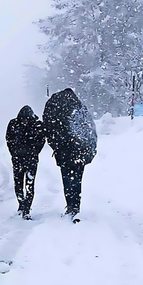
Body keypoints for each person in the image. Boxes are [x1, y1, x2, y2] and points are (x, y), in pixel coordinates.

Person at [43, 88, 97, 222]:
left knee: (67, 180)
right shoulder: (80, 109)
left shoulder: (57, 109)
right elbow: (90, 130)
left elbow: (49, 130)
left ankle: (70, 205)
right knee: (77, 180)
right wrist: (89, 150)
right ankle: (75, 206)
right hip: (80, 153)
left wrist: (56, 146)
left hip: (65, 153)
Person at [6, 105, 46, 220]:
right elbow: (9, 139)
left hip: (30, 159)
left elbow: (41, 140)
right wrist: (14, 153)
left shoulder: (37, 125)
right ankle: (21, 204)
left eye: (26, 120)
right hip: (18, 159)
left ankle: (27, 208)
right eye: (23, 119)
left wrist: (34, 152)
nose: (24, 122)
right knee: (18, 184)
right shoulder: (14, 124)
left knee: (29, 184)